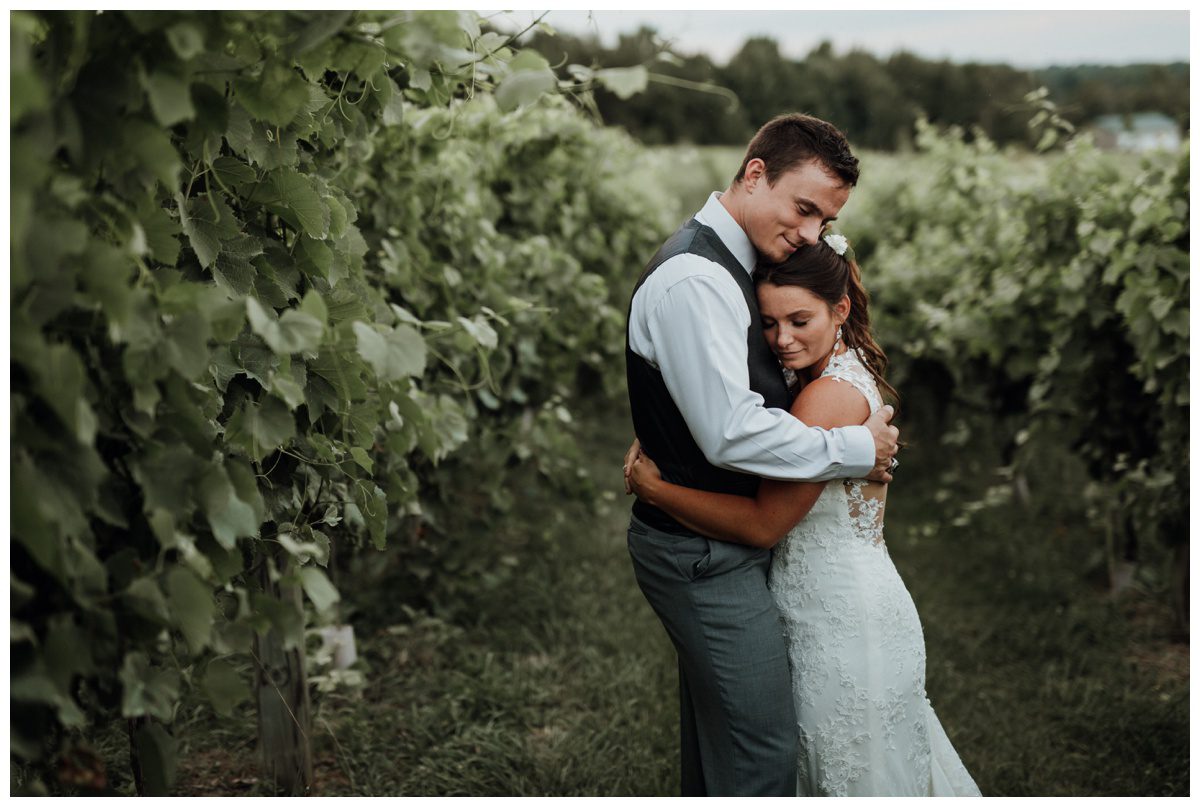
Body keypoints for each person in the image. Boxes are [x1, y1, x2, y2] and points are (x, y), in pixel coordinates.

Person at [628, 239, 980, 796]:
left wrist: (657, 490)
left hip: (842, 622)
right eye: (768, 324)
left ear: (840, 310)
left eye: (799, 320)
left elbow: (763, 524)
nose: (782, 339)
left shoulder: (827, 398)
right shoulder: (821, 377)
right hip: (829, 608)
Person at [622, 113, 900, 797]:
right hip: (702, 555)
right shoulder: (697, 279)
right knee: (759, 753)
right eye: (804, 208)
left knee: (723, 743)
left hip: (719, 546)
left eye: (825, 220)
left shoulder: (744, 266)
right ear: (754, 174)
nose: (811, 233)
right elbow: (731, 432)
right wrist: (854, 448)